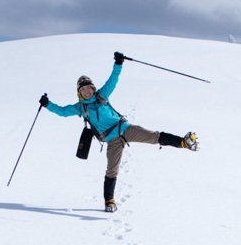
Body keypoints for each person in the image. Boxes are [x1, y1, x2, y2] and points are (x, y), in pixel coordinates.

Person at [39, 51, 199, 212]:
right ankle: (109, 202)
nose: (87, 91)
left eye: (89, 88)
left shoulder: (102, 95)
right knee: (112, 170)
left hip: (125, 129)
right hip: (112, 140)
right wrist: (47, 104)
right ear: (79, 93)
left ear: (93, 88)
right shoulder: (80, 108)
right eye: (83, 89)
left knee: (153, 137)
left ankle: (184, 142)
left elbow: (113, 80)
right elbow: (62, 111)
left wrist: (118, 63)